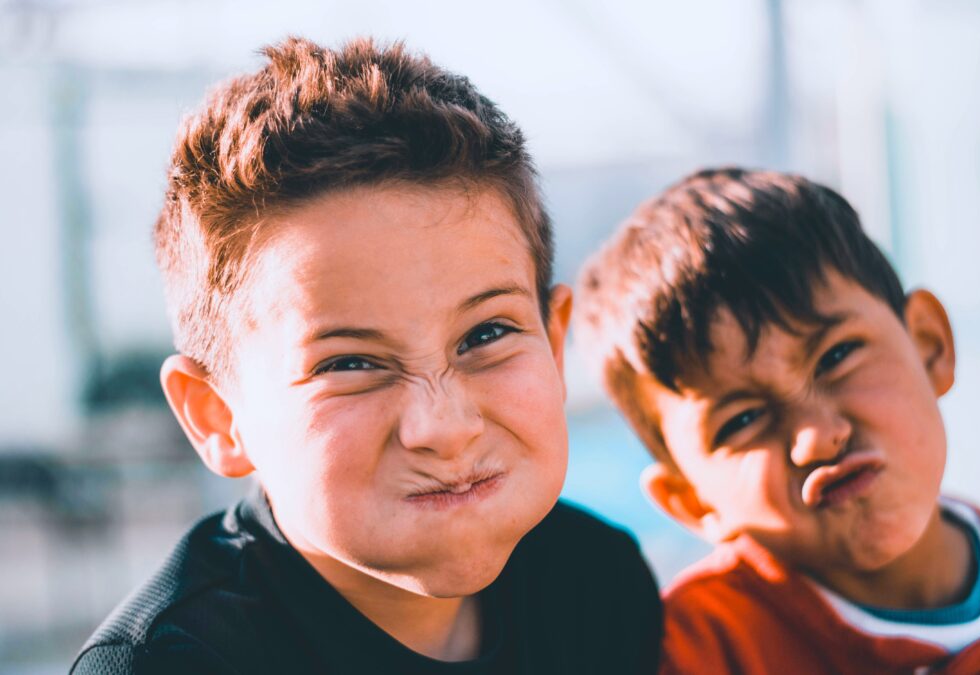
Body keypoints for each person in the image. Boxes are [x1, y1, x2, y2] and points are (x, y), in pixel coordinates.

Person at [70, 36, 660, 675]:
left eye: (485, 335)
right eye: (350, 364)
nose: (445, 428)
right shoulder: (171, 663)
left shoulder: (599, 585)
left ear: (553, 340)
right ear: (217, 417)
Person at [574, 167, 980, 674]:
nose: (816, 439)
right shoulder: (690, 655)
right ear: (691, 500)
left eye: (837, 357)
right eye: (743, 419)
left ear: (929, 346)